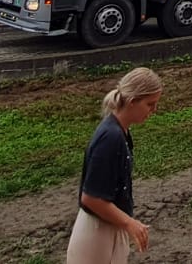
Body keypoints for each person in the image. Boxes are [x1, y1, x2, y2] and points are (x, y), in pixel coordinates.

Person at [68, 67, 164, 264]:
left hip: (109, 225)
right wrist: (129, 223)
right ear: (132, 101)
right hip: (97, 232)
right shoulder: (110, 138)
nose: (154, 110)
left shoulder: (120, 132)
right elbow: (91, 198)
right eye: (150, 104)